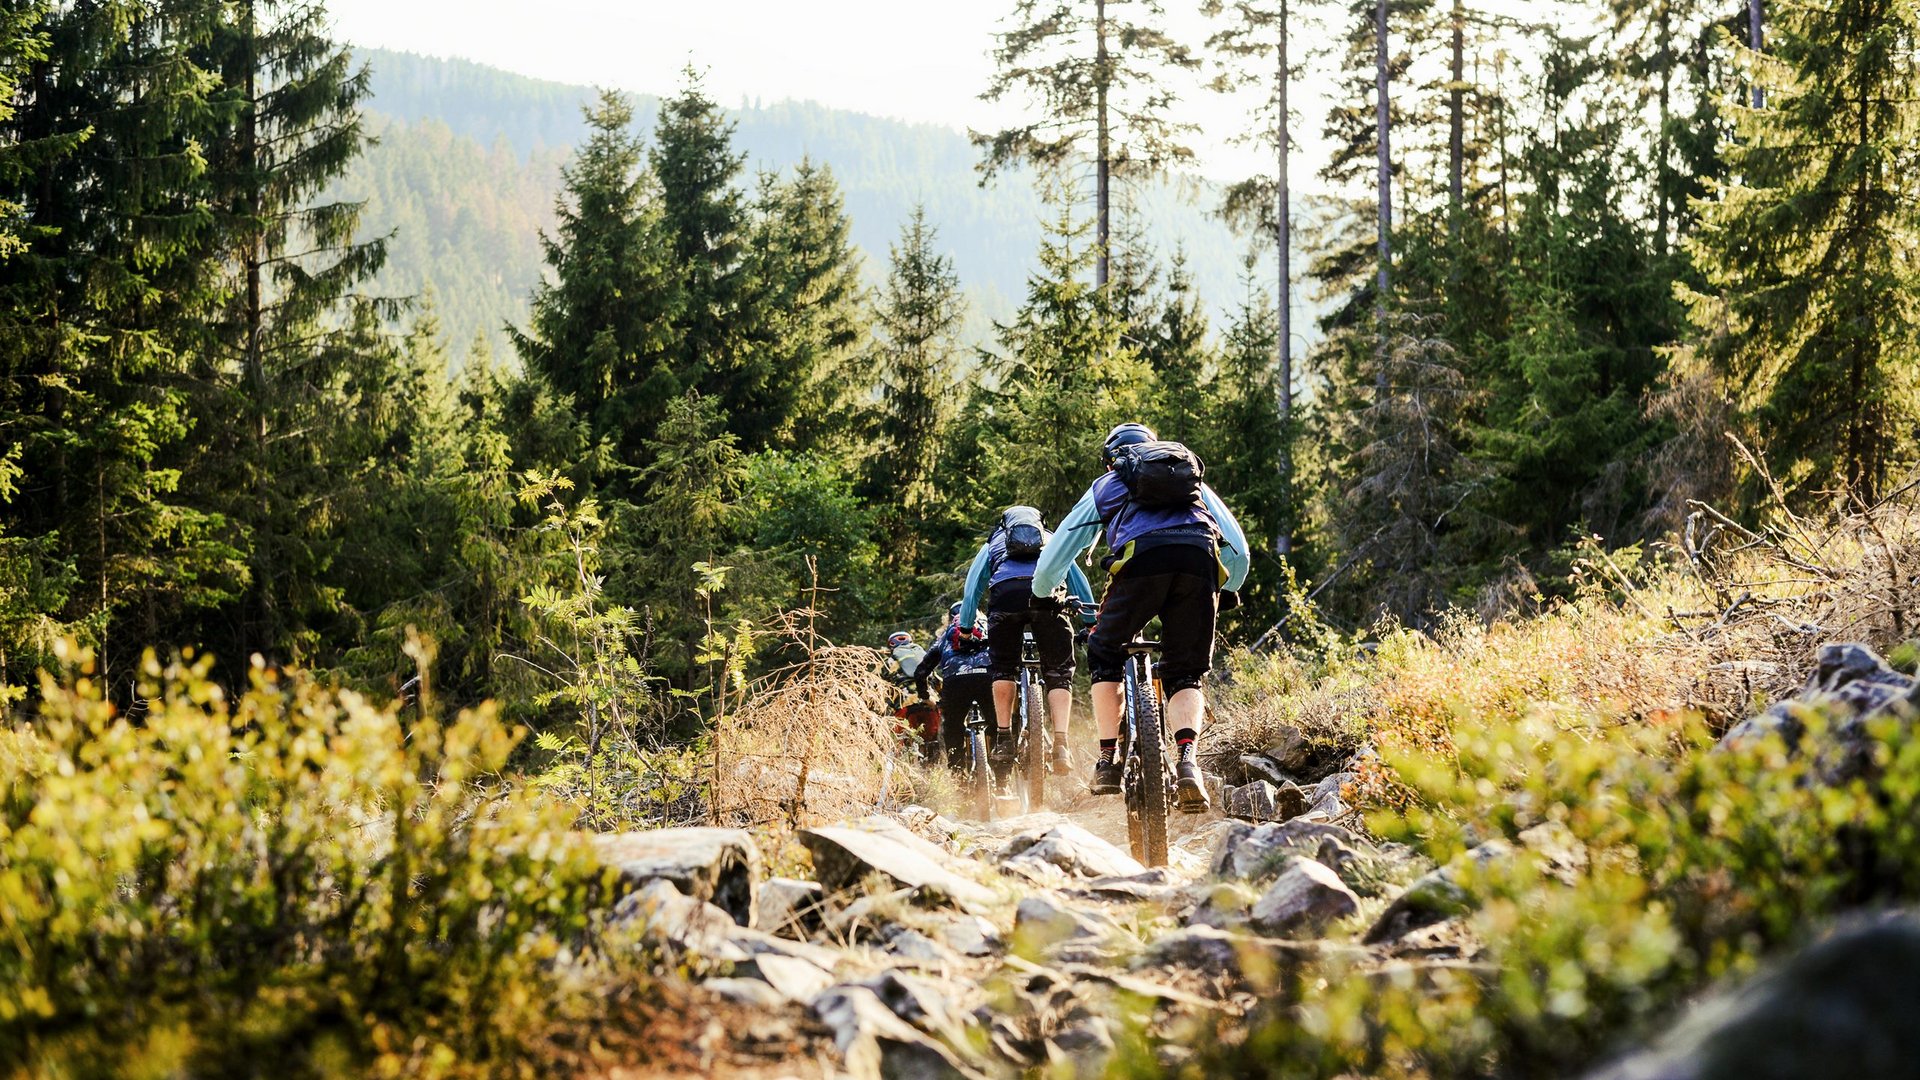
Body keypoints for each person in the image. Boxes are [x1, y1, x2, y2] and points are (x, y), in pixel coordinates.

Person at [1031, 423, 1250, 811]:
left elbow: (1058, 553)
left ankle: (1107, 760)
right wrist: (1227, 587)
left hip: (1141, 563)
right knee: (1185, 671)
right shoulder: (1191, 482)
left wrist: (1043, 594)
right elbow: (1239, 551)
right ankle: (1187, 762)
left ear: (1111, 459)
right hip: (1198, 562)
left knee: (1104, 651)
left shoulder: (1108, 484)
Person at [957, 506, 1097, 775]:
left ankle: (1004, 738)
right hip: (1047, 599)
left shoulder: (992, 545)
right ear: (1040, 523)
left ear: (1004, 525)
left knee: (1003, 669)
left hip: (1006, 598)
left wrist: (965, 629)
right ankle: (1061, 744)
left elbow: (972, 588)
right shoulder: (1054, 539)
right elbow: (1077, 580)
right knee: (1058, 673)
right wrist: (1090, 623)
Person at [913, 603, 995, 770]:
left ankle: (959, 778)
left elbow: (921, 671)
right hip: (988, 678)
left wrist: (925, 697)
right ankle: (1002, 775)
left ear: (950, 619)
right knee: (998, 724)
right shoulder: (991, 626)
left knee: (953, 728)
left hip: (956, 681)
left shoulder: (946, 635)